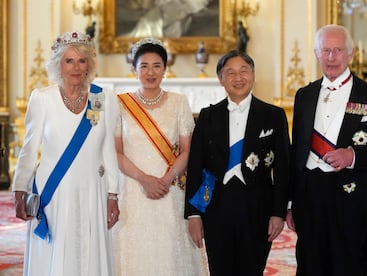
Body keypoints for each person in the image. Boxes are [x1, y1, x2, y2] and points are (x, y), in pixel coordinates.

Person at [286, 24, 367, 276]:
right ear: (316, 54)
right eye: (325, 50)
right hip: (309, 195)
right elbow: (297, 153)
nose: (331, 57)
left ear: (351, 54)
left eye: (338, 50)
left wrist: (354, 156)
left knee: (349, 263)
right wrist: (291, 201)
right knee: (310, 262)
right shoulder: (304, 96)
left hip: (351, 195)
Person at [12, 31, 120, 276]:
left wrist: (113, 193)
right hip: (54, 190)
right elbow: (29, 149)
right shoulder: (43, 98)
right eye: (68, 60)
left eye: (82, 61)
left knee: (89, 252)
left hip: (93, 187)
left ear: (89, 65)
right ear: (58, 64)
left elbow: (108, 149)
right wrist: (20, 190)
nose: (75, 67)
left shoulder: (103, 98)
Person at [184, 50, 291, 275]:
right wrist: (193, 214)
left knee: (252, 268)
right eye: (230, 73)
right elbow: (195, 166)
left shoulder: (273, 115)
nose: (238, 77)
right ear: (221, 79)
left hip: (257, 207)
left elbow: (283, 167)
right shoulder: (207, 116)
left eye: (244, 71)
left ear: (253, 75)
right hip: (216, 208)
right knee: (219, 268)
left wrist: (279, 212)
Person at [112, 37, 208, 276]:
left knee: (168, 248)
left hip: (170, 190)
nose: (150, 72)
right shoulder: (120, 104)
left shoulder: (179, 102)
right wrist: (145, 179)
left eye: (156, 65)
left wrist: (166, 180)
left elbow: (188, 150)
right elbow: (116, 152)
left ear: (165, 69)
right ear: (134, 69)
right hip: (134, 189)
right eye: (143, 65)